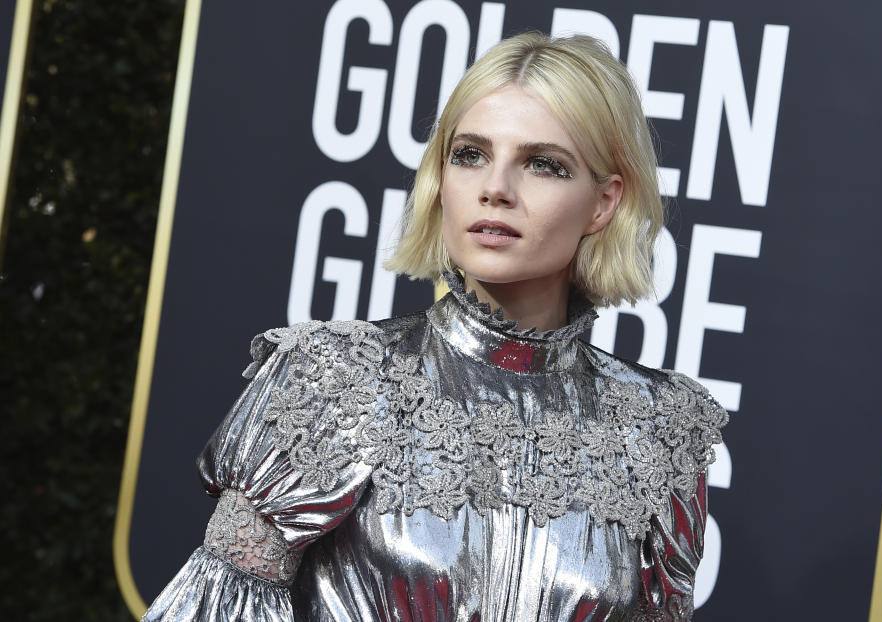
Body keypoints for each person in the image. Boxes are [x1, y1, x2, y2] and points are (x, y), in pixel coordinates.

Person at [143, 31, 728, 622]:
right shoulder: (334, 377)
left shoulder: (661, 427)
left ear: (603, 203)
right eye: (470, 154)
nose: (495, 189)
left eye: (544, 165)